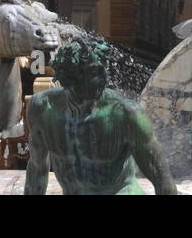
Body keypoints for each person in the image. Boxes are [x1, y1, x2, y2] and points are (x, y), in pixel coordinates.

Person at [25, 37, 178, 196]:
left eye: (104, 69)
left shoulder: (125, 114)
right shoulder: (42, 109)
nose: (104, 78)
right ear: (70, 75)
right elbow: (37, 168)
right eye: (94, 72)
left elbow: (162, 180)